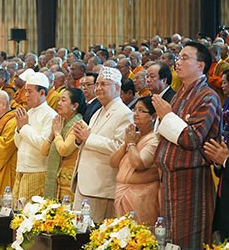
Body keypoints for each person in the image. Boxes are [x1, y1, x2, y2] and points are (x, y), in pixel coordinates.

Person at [153, 41, 222, 250]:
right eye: (178, 57)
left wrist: (167, 116)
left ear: (201, 65)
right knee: (170, 239)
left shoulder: (208, 96)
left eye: (184, 58)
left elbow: (192, 138)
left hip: (192, 178)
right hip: (170, 177)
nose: (178, 62)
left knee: (189, 242)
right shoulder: (180, 94)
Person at [72, 67, 133, 223]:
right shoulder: (98, 110)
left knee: (93, 235)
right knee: (78, 233)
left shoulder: (124, 113)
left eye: (104, 84)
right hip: (85, 183)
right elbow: (88, 140)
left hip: (101, 187)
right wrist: (79, 139)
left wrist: (88, 137)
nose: (98, 88)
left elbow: (120, 147)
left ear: (117, 88)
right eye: (97, 84)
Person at [109, 96, 160, 225]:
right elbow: (113, 162)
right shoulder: (134, 136)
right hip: (122, 193)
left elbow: (139, 163)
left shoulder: (154, 139)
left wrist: (131, 144)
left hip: (142, 196)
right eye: (135, 109)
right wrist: (126, 144)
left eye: (141, 111)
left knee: (139, 239)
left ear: (153, 117)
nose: (136, 114)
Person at [13, 72, 57, 202]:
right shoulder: (28, 112)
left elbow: (43, 144)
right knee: (16, 209)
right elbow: (18, 143)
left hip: (36, 170)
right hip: (21, 167)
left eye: (29, 91)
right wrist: (19, 128)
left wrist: (24, 127)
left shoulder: (50, 115)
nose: (26, 95)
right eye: (25, 91)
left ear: (42, 93)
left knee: (27, 212)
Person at [42, 88, 86, 200]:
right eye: (59, 100)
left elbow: (64, 150)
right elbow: (43, 151)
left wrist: (57, 134)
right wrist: (52, 134)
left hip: (69, 180)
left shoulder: (79, 125)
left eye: (63, 100)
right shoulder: (60, 122)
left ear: (74, 106)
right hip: (58, 178)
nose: (59, 103)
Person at [204, 87, 229, 241]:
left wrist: (225, 161)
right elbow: (223, 169)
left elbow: (228, 161)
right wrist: (218, 163)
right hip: (225, 205)